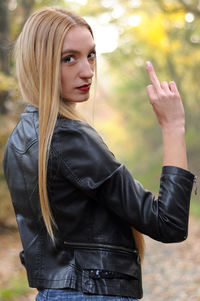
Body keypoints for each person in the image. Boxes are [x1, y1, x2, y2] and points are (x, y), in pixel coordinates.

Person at [2, 6, 195, 301]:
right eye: (69, 58)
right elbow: (168, 223)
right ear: (40, 64)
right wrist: (173, 126)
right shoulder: (71, 138)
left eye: (90, 55)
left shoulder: (18, 140)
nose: (88, 71)